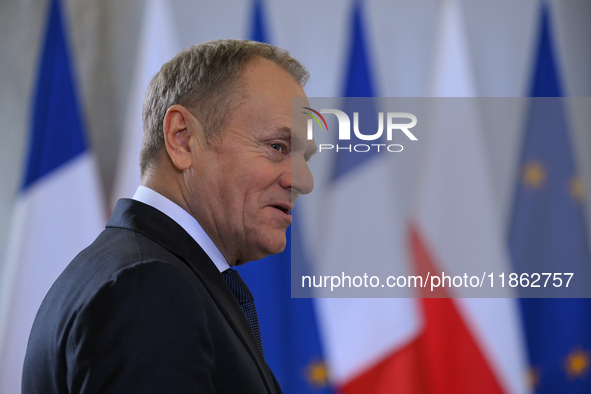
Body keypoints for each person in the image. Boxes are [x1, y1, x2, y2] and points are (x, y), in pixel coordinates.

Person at [22, 39, 316, 393]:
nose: (303, 181)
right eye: (277, 147)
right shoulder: (148, 289)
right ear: (182, 139)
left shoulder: (130, 271)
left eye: (305, 158)